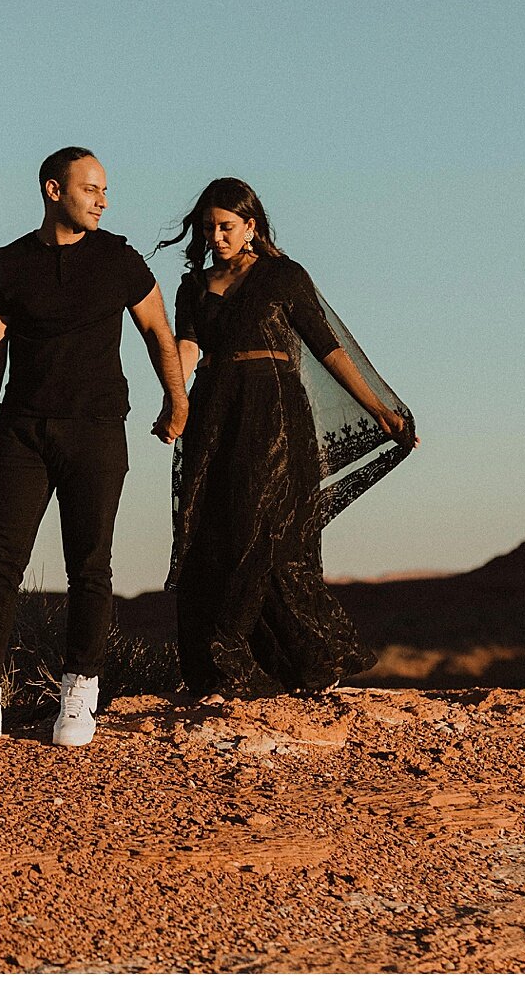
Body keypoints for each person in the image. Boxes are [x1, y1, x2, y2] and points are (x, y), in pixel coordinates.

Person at [0, 147, 187, 746]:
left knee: (89, 567)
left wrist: (177, 401)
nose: (103, 199)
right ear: (53, 190)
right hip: (22, 431)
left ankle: (79, 695)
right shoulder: (7, 265)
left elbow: (157, 333)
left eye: (105, 190)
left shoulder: (119, 259)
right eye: (91, 188)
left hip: (96, 430)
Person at [155, 177, 416, 697]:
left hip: (273, 414)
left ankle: (287, 656)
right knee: (213, 534)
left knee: (266, 533)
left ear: (251, 226)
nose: (217, 236)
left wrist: (377, 407)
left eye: (227, 226)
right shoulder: (193, 287)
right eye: (209, 228)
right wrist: (173, 402)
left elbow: (328, 349)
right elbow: (186, 350)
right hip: (214, 415)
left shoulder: (283, 277)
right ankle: (227, 672)